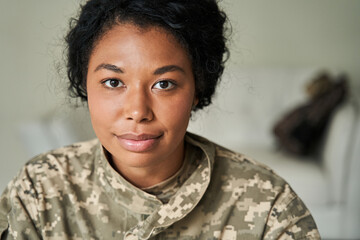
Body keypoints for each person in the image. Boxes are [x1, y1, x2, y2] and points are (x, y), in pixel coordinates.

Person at [0, 0, 320, 239]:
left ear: (197, 89)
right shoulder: (39, 190)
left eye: (163, 84)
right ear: (85, 84)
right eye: (114, 82)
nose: (138, 111)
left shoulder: (268, 203)